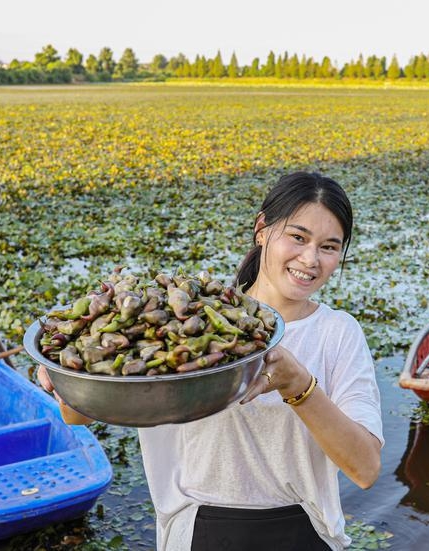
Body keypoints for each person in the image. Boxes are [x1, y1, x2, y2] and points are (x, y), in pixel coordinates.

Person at [38, 172, 384, 550]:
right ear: (262, 230)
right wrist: (68, 374)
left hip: (305, 529)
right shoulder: (185, 315)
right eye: (297, 237)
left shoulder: (338, 332)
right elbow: (78, 415)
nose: (310, 259)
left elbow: (364, 469)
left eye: (329, 247)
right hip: (200, 527)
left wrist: (298, 385)